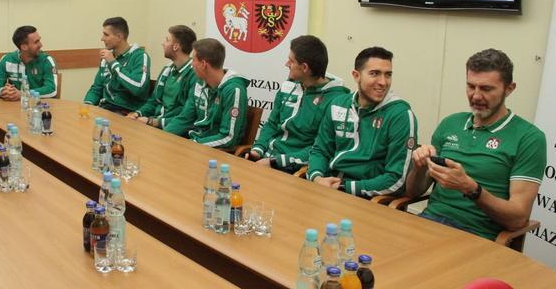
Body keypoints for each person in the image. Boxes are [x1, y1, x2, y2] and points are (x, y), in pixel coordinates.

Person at [405, 49, 546, 240]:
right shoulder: (450, 123)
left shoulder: (529, 138)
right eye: (471, 86)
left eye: (486, 89)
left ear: (509, 88)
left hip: (476, 235)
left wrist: (471, 188)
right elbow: (413, 192)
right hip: (429, 223)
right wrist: (419, 166)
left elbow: (518, 219)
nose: (476, 96)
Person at [307, 47, 417, 198]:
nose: (383, 82)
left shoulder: (400, 115)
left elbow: (396, 178)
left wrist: (344, 187)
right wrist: (317, 177)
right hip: (328, 187)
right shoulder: (338, 104)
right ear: (356, 75)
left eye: (388, 75)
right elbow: (320, 150)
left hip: (367, 196)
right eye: (374, 73)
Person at [246, 36, 348, 173]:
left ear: (304, 67)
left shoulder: (336, 100)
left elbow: (319, 149)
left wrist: (275, 161)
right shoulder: (288, 85)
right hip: (265, 157)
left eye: (291, 61)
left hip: (291, 167)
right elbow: (271, 124)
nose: (286, 64)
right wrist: (257, 150)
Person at [164, 38, 249, 149]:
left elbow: (228, 137)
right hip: (195, 144)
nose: (191, 65)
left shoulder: (233, 90)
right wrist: (163, 136)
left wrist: (193, 144)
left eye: (193, 60)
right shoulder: (199, 83)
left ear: (203, 64)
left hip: (216, 151)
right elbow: (184, 119)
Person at [128, 25, 197, 128]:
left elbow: (187, 116)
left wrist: (152, 122)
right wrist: (138, 113)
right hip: (153, 122)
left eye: (167, 40)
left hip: (172, 128)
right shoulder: (167, 69)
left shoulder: (193, 74)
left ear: (175, 46)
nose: (163, 43)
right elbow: (153, 101)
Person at [83, 17, 151, 114]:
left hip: (126, 111)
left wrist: (113, 63)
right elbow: (97, 88)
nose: (102, 38)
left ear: (119, 37)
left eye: (106, 35)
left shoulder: (139, 56)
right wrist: (87, 105)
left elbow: (138, 87)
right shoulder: (107, 57)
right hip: (105, 108)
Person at [0, 25, 58, 100]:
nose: (41, 45)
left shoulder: (46, 60)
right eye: (36, 42)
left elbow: (51, 89)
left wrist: (23, 94)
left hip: (40, 105)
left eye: (39, 40)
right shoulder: (7, 60)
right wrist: (2, 91)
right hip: (14, 105)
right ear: (24, 47)